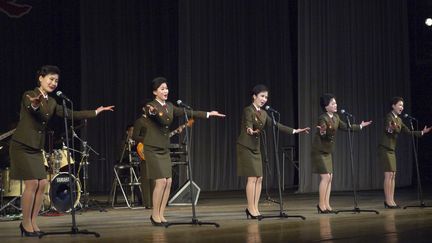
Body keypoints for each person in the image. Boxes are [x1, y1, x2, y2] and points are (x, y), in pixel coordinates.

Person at [9, 65, 114, 237]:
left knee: (42, 184)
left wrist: (96, 111)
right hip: (22, 145)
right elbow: (31, 106)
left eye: (56, 80)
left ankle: (33, 222)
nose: (53, 83)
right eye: (50, 79)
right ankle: (25, 223)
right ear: (40, 79)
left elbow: (72, 113)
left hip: (36, 147)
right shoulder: (29, 94)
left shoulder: (52, 102)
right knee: (32, 184)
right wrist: (35, 105)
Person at [143, 77, 225, 226]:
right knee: (160, 181)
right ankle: (154, 215)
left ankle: (161, 214)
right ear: (155, 92)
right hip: (152, 148)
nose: (165, 91)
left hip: (164, 147)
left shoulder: (170, 106)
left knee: (168, 181)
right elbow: (152, 114)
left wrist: (208, 114)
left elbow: (189, 112)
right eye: (162, 88)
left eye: (166, 88)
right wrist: (154, 112)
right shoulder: (150, 105)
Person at [236, 84, 310, 219]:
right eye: (262, 96)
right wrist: (250, 130)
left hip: (256, 148)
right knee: (252, 178)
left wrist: (294, 131)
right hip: (246, 146)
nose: (264, 99)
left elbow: (276, 125)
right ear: (254, 96)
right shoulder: (248, 110)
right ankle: (250, 208)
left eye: (266, 97)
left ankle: (255, 208)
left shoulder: (264, 113)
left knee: (260, 178)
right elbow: (247, 124)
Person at [311, 93, 372, 214]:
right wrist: (322, 131)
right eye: (332, 103)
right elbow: (322, 132)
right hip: (319, 150)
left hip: (327, 151)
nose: (335, 105)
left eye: (335, 103)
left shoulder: (336, 117)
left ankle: (327, 204)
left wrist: (360, 126)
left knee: (330, 177)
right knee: (326, 177)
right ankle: (320, 205)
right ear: (326, 106)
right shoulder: (323, 118)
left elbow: (346, 127)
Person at [378, 97, 431, 208]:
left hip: (392, 149)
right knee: (388, 175)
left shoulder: (399, 120)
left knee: (393, 175)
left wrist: (422, 132)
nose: (402, 107)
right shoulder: (389, 116)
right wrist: (391, 128)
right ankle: (388, 201)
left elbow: (408, 132)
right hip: (385, 148)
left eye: (402, 106)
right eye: (400, 105)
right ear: (393, 105)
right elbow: (388, 129)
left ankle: (391, 200)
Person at [132, 109, 155, 209]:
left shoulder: (154, 120)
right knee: (146, 178)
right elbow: (135, 136)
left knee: (154, 177)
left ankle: (155, 202)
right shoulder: (140, 121)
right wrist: (146, 139)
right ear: (144, 109)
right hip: (144, 149)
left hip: (154, 149)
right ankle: (148, 203)